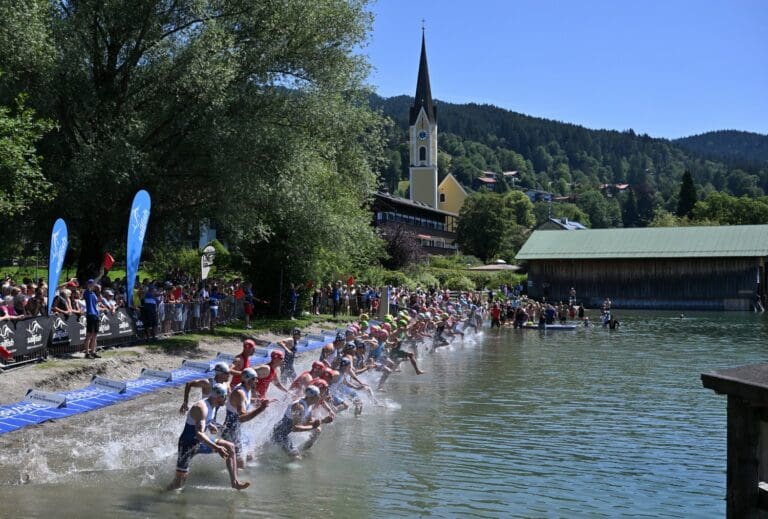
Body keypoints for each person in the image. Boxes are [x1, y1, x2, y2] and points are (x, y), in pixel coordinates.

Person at [167, 383, 250, 491]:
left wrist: (210, 425)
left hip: (199, 443)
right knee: (178, 485)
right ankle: (159, 495)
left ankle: (235, 482)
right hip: (187, 446)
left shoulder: (213, 405)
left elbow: (202, 422)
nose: (227, 399)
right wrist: (217, 448)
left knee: (230, 447)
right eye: (225, 396)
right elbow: (199, 433)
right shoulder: (202, 408)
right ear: (218, 397)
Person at [222, 368, 271, 468]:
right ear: (248, 380)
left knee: (250, 456)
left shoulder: (246, 388)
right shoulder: (240, 393)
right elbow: (242, 418)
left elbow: (246, 401)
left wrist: (259, 400)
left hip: (238, 430)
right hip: (231, 432)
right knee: (241, 465)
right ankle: (236, 479)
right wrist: (261, 408)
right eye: (255, 379)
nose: (257, 381)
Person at [271, 385, 331, 459]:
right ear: (311, 397)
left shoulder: (309, 404)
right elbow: (295, 428)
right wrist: (313, 426)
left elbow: (307, 421)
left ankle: (305, 450)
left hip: (285, 433)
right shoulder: (299, 407)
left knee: (318, 430)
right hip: (279, 435)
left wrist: (323, 420)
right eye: (318, 395)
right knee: (296, 457)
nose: (319, 397)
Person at [83, 279, 101, 359]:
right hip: (90, 315)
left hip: (96, 315)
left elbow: (99, 301)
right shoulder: (87, 292)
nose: (93, 285)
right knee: (89, 335)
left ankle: (93, 352)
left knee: (95, 335)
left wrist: (99, 291)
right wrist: (92, 286)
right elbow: (89, 289)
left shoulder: (94, 294)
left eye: (93, 284)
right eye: (92, 284)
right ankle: (87, 353)